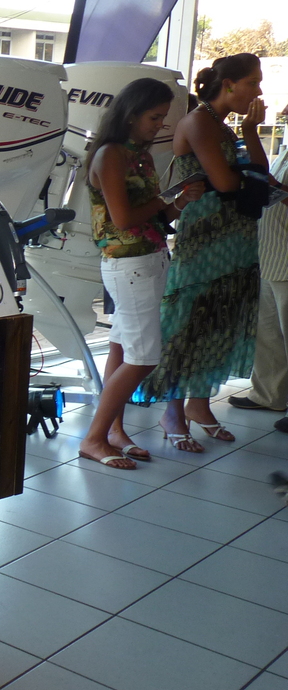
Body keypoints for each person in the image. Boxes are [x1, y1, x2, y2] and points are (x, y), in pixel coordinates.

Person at [138, 53, 269, 451]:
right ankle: (173, 411)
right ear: (228, 84)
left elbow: (259, 171)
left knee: (220, 320)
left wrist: (250, 131)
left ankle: (199, 404)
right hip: (206, 240)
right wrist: (251, 181)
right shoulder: (198, 121)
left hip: (236, 238)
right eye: (253, 82)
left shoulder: (225, 126)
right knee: (190, 321)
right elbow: (227, 184)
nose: (258, 90)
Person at [79, 79, 203, 469]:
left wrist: (180, 201)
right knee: (144, 357)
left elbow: (157, 218)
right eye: (154, 117)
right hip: (128, 264)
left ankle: (114, 432)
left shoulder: (141, 156)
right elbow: (124, 219)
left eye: (163, 118)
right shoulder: (110, 155)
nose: (160, 125)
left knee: (122, 348)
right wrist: (167, 198)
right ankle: (94, 438)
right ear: (131, 114)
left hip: (149, 259)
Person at [230, 108, 288, 428]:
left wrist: (272, 185)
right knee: (268, 335)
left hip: (286, 261)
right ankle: (268, 394)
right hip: (271, 255)